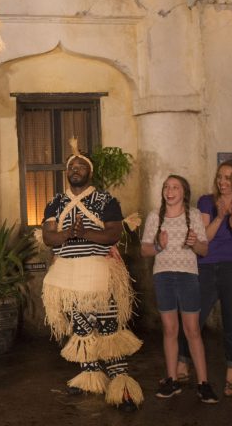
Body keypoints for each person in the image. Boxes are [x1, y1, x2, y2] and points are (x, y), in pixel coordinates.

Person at [40, 138, 143, 412]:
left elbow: (114, 232)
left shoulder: (105, 200)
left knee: (109, 328)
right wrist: (67, 234)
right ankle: (89, 378)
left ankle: (121, 383)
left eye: (80, 165)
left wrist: (84, 233)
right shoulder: (56, 202)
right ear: (67, 172)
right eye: (71, 166)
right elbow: (49, 237)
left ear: (89, 171)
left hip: (98, 271)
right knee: (81, 328)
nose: (75, 169)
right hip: (66, 276)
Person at [177, 160, 232, 397]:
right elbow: (203, 239)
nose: (222, 181)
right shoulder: (206, 201)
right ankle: (182, 363)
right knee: (192, 317)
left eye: (228, 177)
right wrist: (220, 218)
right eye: (220, 176)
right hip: (206, 266)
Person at [141, 175, 217, 404]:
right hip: (163, 276)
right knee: (169, 329)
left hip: (187, 276)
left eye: (175, 187)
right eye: (166, 187)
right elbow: (145, 250)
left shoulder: (193, 215)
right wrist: (158, 245)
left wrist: (195, 243)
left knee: (192, 329)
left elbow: (204, 250)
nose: (170, 190)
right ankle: (171, 380)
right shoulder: (156, 216)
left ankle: (203, 383)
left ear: (184, 192)